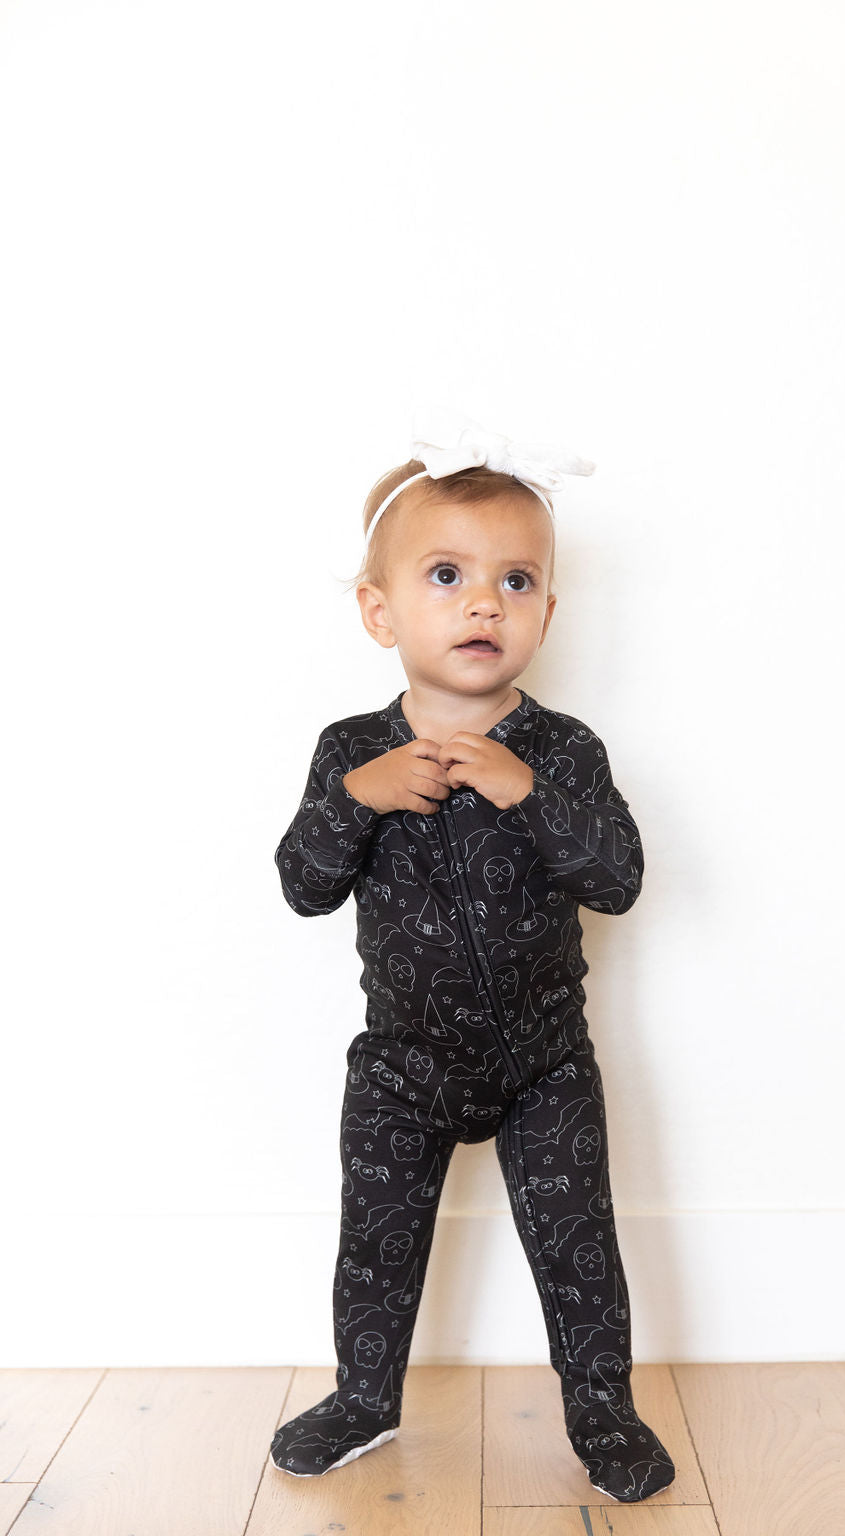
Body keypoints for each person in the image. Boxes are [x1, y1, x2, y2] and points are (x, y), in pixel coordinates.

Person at [269, 408, 675, 1504]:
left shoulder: (562, 749)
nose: (484, 602)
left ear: (547, 610)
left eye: (516, 580)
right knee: (376, 1241)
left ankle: (602, 1412)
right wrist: (357, 801)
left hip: (546, 1063)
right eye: (446, 575)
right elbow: (303, 886)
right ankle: (363, 1398)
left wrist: (525, 792)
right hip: (403, 1066)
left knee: (578, 1245)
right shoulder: (351, 751)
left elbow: (618, 879)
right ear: (379, 609)